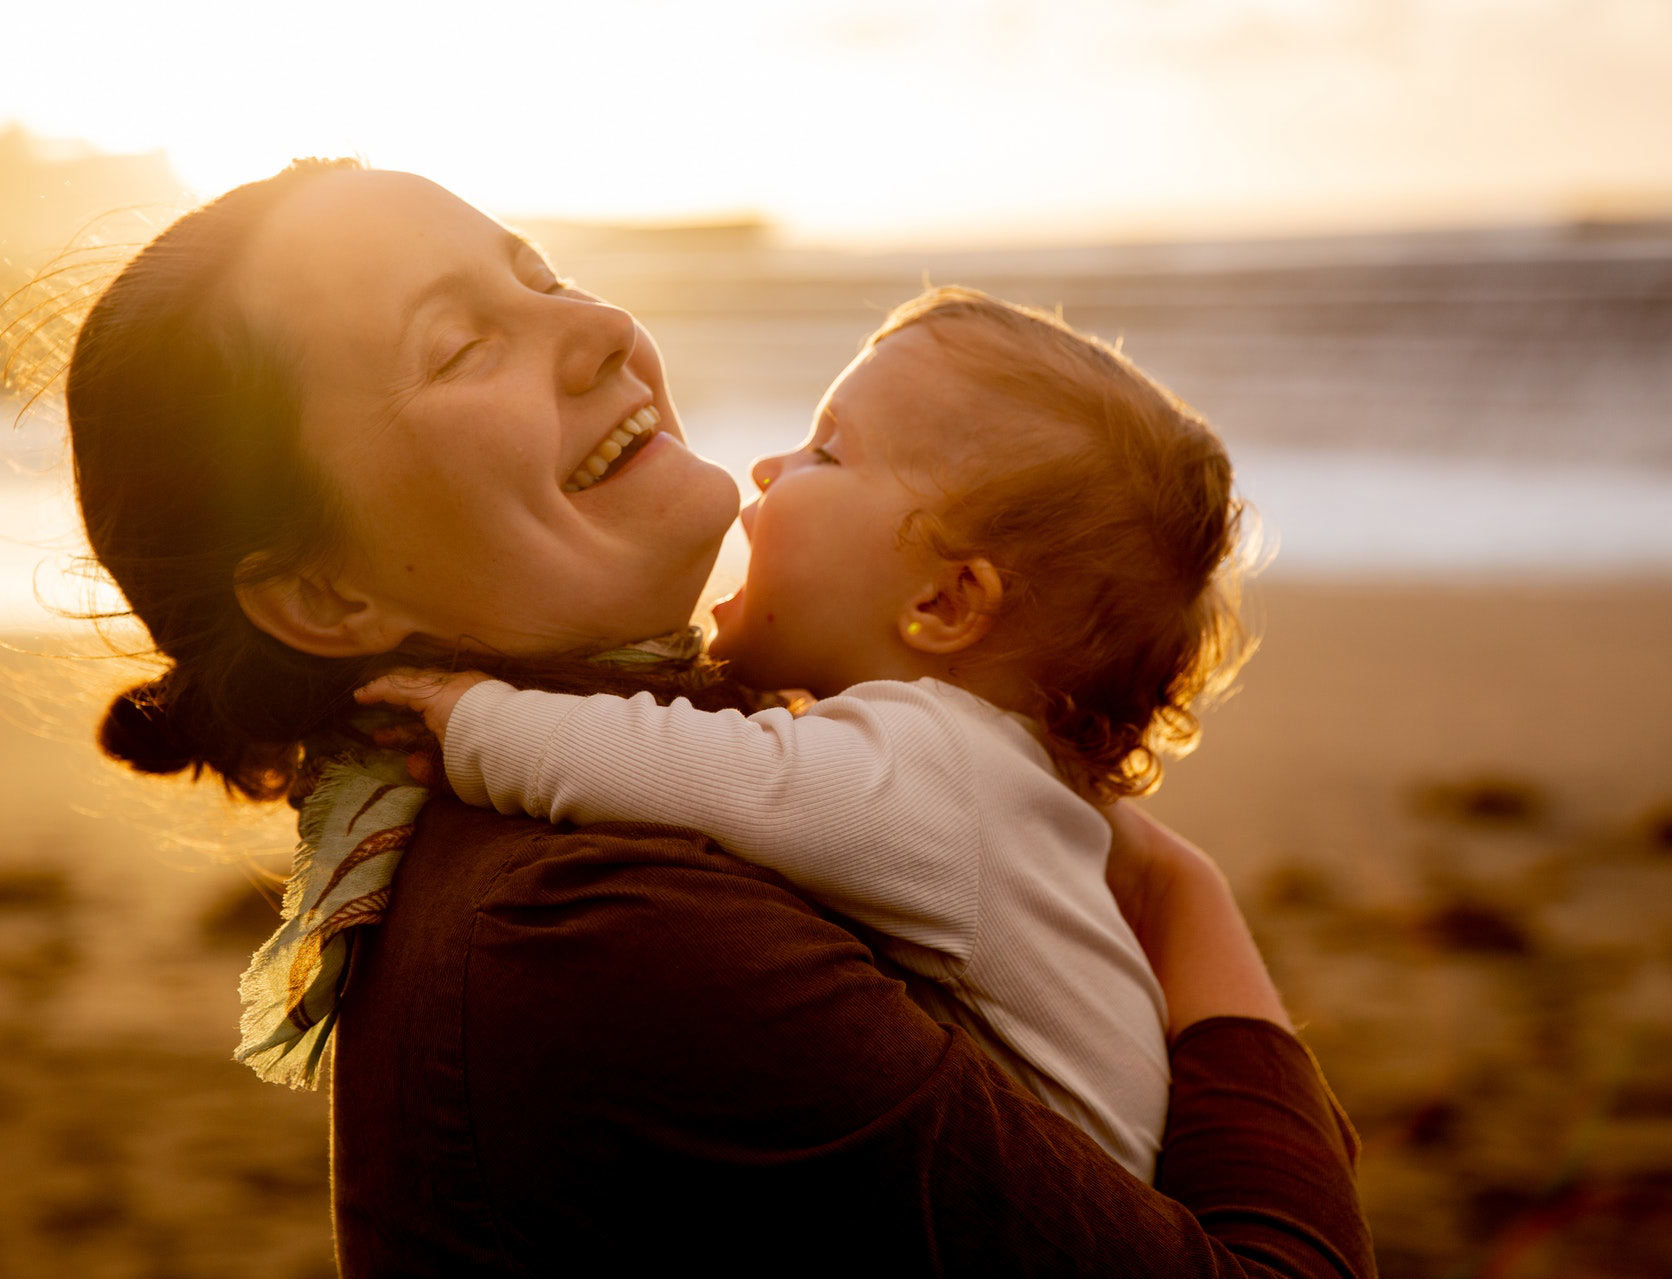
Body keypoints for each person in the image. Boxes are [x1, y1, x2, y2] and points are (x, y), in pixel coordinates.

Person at [64, 157, 1374, 1275]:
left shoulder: (664, 791)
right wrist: (1183, 898)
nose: (595, 325)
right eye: (462, 343)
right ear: (321, 590)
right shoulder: (597, 925)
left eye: (539, 271)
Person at [352, 285, 1253, 1180]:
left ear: (942, 601)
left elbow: (707, 771)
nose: (767, 470)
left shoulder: (937, 766)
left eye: (826, 450)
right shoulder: (994, 783)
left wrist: (478, 719)